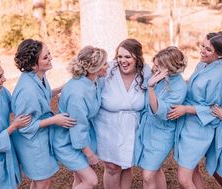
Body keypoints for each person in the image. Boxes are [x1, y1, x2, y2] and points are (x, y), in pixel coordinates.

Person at [167, 31, 222, 189]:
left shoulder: (220, 75)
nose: (202, 51)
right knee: (193, 170)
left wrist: (187, 109)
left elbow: (214, 109)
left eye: (208, 49)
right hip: (188, 122)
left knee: (183, 177)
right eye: (202, 46)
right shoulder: (202, 64)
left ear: (219, 55)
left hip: (200, 128)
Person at [11, 39, 76, 189]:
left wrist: (62, 88)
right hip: (32, 143)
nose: (50, 58)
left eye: (49, 54)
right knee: (43, 182)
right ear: (33, 64)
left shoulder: (38, 76)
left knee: (40, 181)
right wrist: (54, 120)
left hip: (40, 137)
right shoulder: (27, 91)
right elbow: (24, 127)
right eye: (45, 57)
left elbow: (43, 96)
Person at [94, 38, 151, 189]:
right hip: (108, 126)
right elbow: (88, 81)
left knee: (126, 165)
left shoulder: (145, 71)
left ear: (137, 58)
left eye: (127, 57)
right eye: (119, 56)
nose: (122, 61)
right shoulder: (108, 70)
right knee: (112, 167)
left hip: (132, 127)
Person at [53, 46, 109, 189]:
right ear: (93, 69)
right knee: (91, 181)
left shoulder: (92, 81)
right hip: (68, 142)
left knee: (80, 180)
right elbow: (77, 126)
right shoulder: (77, 93)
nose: (108, 66)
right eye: (105, 63)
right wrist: (90, 155)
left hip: (81, 139)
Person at [135, 46, 187, 189]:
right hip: (147, 130)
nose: (154, 68)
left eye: (158, 66)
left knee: (147, 175)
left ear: (169, 67)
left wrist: (150, 87)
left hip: (162, 134)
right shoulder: (160, 77)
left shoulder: (180, 87)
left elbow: (159, 111)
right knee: (155, 170)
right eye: (155, 64)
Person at [0, 61, 31, 189]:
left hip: (7, 154)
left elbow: (17, 105)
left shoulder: (2, 92)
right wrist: (13, 127)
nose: (4, 79)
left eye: (2, 75)